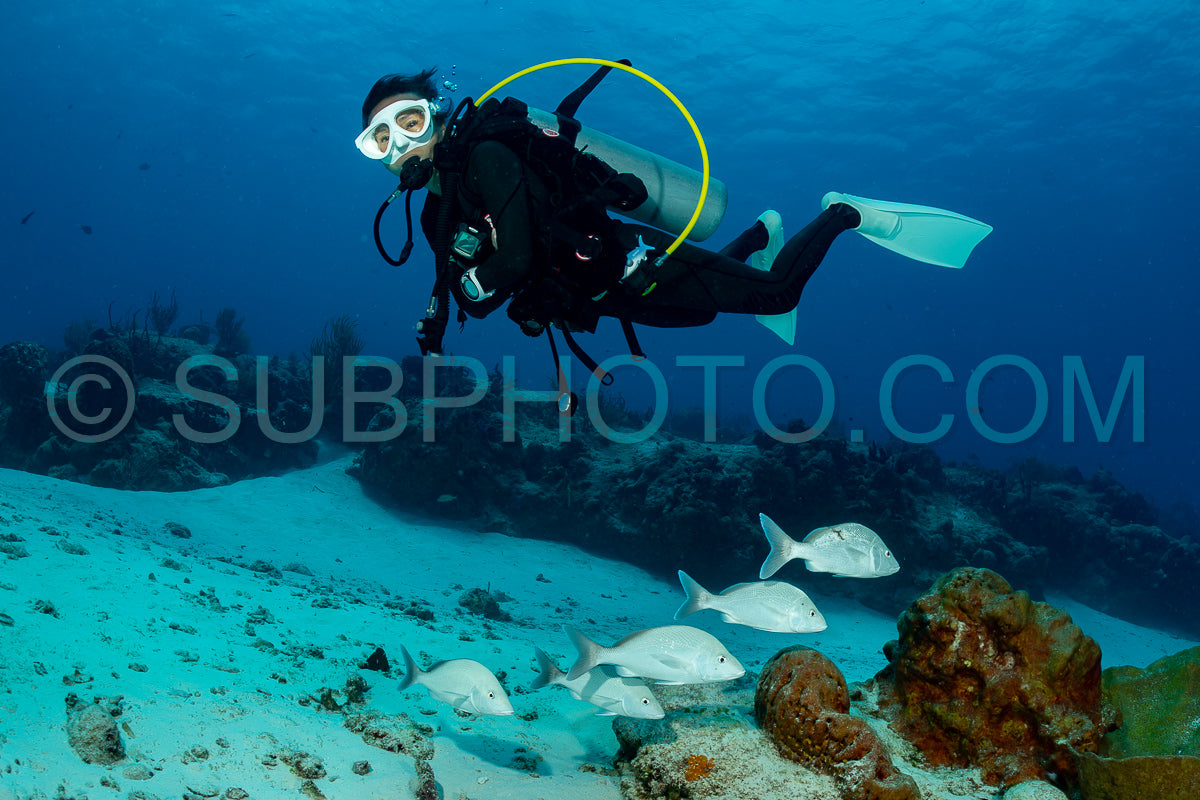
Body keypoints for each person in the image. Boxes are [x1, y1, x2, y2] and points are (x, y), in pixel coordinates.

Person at [355, 67, 991, 368]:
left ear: (434, 115)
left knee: (776, 296)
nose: (402, 144)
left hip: (631, 263)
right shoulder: (442, 204)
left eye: (409, 122)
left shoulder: (489, 156)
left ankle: (847, 213)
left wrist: (476, 284)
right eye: (381, 139)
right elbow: (482, 287)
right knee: (706, 309)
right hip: (602, 296)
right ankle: (762, 234)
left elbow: (512, 260)